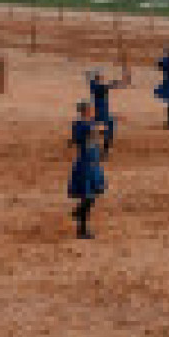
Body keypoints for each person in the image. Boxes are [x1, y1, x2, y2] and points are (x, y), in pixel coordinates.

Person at [68, 101, 106, 239]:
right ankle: (81, 228)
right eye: (91, 110)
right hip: (86, 165)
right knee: (88, 197)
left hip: (92, 164)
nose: (94, 112)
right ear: (86, 111)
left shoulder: (86, 124)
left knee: (92, 195)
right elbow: (95, 129)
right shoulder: (82, 125)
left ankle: (79, 213)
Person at [88, 67, 130, 155]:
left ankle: (102, 146)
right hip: (101, 112)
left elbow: (110, 84)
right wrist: (123, 80)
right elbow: (111, 84)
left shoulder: (94, 85)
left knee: (106, 126)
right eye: (99, 77)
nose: (101, 78)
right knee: (107, 127)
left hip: (99, 111)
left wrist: (123, 80)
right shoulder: (98, 87)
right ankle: (104, 147)